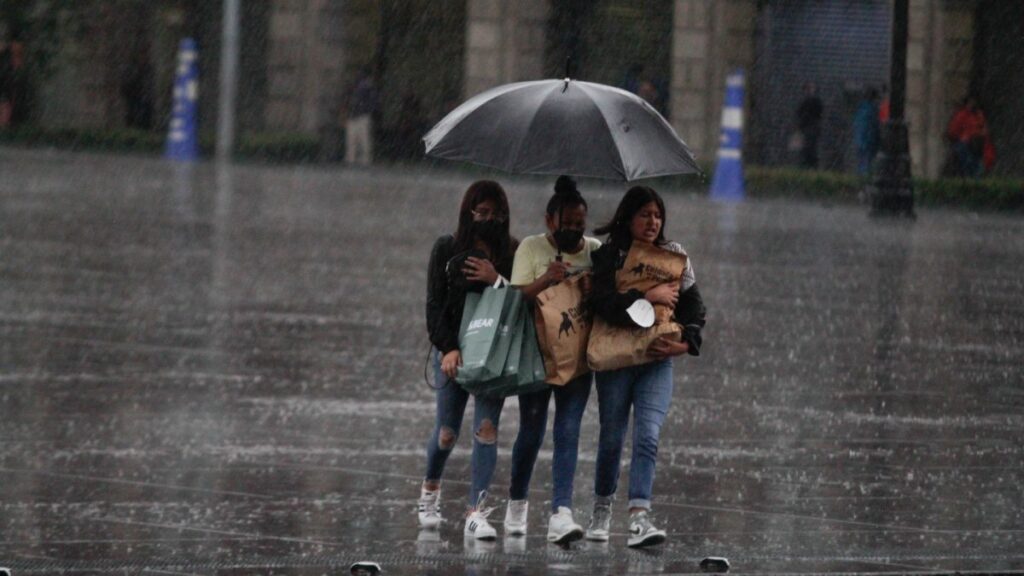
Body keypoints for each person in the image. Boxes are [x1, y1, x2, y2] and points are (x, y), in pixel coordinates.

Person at [585, 186, 706, 548]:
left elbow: (694, 308)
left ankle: (639, 516)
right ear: (628, 217)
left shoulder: (675, 257)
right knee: (611, 439)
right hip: (616, 360)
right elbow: (601, 302)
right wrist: (645, 296)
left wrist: (687, 343)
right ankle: (602, 508)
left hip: (656, 360)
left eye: (657, 215)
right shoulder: (610, 256)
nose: (652, 222)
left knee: (649, 436)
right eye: (644, 214)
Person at [502, 175, 601, 544]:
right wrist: (547, 278)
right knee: (531, 430)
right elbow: (517, 298)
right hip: (538, 353)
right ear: (549, 220)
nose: (575, 230)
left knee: (569, 430)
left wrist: (594, 286)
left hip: (577, 355)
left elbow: (608, 295)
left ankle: (561, 511)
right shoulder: (530, 247)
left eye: (580, 224)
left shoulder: (594, 250)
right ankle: (517, 503)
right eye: (567, 223)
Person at [420, 180, 518, 540]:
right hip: (453, 353)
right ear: (469, 213)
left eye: (497, 214)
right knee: (447, 433)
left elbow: (519, 302)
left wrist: (497, 280)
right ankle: (430, 489)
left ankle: (477, 511)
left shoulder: (511, 250)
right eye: (482, 213)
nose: (489, 220)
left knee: (487, 432)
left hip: (491, 355)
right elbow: (434, 306)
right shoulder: (447, 248)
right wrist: (448, 347)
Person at [946, 96, 989, 178]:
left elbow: (953, 131)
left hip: (973, 144)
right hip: (969, 144)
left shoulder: (977, 115)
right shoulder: (965, 114)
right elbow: (953, 131)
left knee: (972, 164)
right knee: (971, 164)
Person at [344, 67, 378, 165]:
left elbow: (371, 101)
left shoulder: (363, 86)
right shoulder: (367, 86)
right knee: (362, 139)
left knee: (356, 138)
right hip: (360, 115)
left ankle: (353, 158)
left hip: (358, 115)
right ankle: (362, 158)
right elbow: (372, 101)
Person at [852, 87, 881, 176]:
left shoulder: (861, 109)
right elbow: (872, 127)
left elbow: (857, 125)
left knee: (862, 164)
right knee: (867, 165)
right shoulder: (871, 110)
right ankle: (865, 182)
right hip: (868, 142)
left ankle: (861, 182)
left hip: (860, 141)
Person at [795, 82, 824, 169]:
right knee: (806, 148)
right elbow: (799, 113)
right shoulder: (804, 101)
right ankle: (807, 165)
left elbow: (818, 111)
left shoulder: (815, 101)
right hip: (806, 127)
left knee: (811, 147)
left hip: (812, 127)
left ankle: (811, 165)